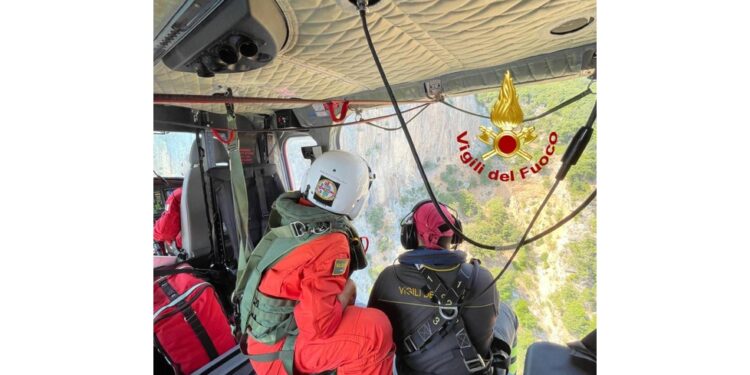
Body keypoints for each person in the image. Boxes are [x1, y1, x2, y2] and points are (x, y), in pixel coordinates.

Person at [234, 150, 395, 375]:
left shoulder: (296, 217)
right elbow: (319, 326)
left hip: (265, 340)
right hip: (277, 355)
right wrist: (348, 291)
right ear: (355, 200)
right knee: (374, 331)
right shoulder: (332, 242)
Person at [368, 200, 519, 375]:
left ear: (409, 235)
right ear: (455, 234)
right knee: (506, 312)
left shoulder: (390, 279)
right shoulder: (483, 278)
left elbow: (373, 335)